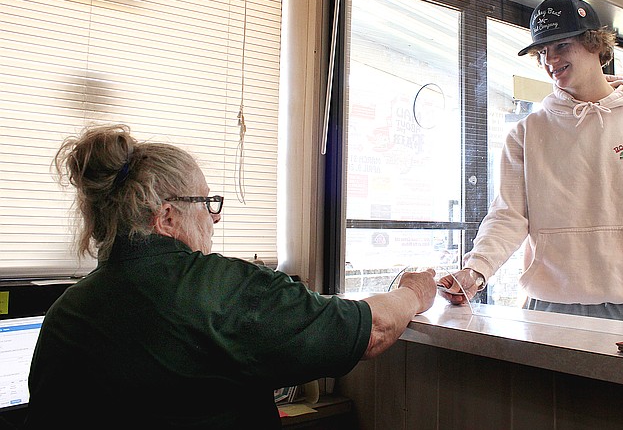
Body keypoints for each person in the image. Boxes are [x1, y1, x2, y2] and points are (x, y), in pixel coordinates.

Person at [25, 124, 436, 429]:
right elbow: (375, 329)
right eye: (207, 202)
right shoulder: (219, 290)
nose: (216, 217)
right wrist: (414, 291)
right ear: (167, 216)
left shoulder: (66, 312)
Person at [437, 0, 623, 325]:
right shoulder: (526, 132)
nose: (550, 60)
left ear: (593, 43)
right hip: (546, 305)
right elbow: (508, 215)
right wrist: (476, 270)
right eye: (543, 51)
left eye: (560, 46)